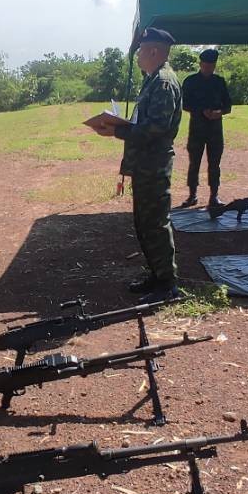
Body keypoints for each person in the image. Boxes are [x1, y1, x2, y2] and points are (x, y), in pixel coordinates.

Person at [88, 27, 183, 300]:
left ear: (153, 51)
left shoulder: (163, 82)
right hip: (145, 163)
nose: (138, 56)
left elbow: (156, 128)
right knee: (144, 222)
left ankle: (167, 285)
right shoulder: (153, 79)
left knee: (155, 223)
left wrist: (117, 130)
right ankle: (157, 275)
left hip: (154, 164)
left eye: (141, 51)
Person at [179, 47, 232, 208]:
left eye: (212, 66)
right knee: (194, 163)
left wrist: (219, 112)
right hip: (197, 128)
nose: (209, 68)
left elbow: (228, 105)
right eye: (206, 65)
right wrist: (201, 110)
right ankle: (192, 195)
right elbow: (184, 104)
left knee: (214, 164)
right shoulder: (190, 82)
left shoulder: (219, 82)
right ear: (201, 64)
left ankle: (214, 196)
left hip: (215, 129)